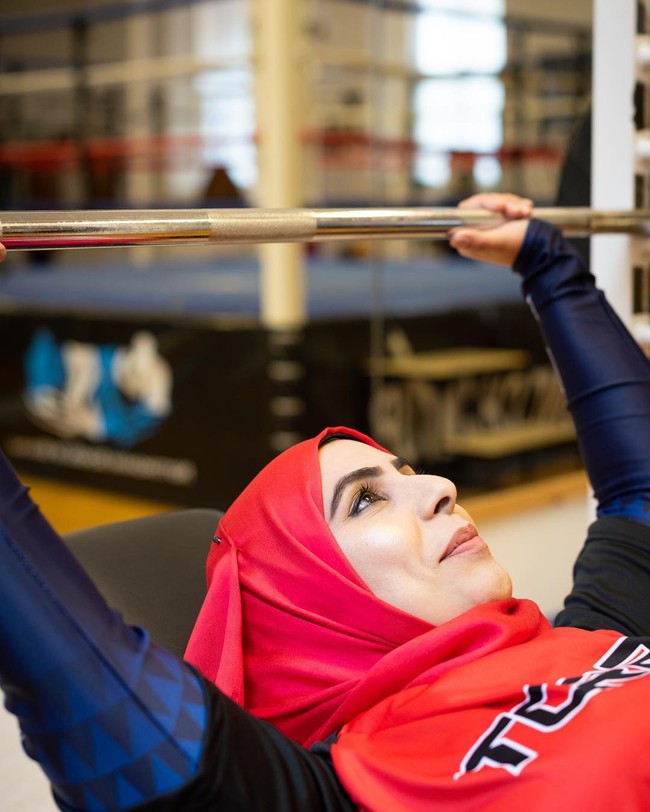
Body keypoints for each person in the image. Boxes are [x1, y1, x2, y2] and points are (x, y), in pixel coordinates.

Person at [0, 192, 649, 811]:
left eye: (408, 472)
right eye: (366, 500)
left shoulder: (594, 636)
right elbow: (94, 691)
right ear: (308, 603)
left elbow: (639, 490)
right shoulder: (339, 791)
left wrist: (546, 263)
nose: (439, 489)